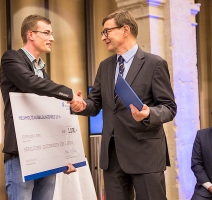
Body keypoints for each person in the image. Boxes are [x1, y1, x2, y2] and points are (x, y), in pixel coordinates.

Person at [71, 10, 177, 200]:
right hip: (112, 158)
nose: (104, 37)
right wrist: (81, 106)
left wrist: (148, 114)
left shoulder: (154, 64)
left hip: (146, 155)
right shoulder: (105, 66)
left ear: (125, 30)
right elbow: (95, 103)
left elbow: (169, 107)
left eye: (107, 31)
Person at [0, 14, 84, 200]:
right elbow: (31, 83)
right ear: (30, 34)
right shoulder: (11, 58)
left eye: (51, 34)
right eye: (47, 33)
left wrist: (74, 104)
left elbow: (53, 109)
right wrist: (69, 94)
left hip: (46, 155)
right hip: (21, 154)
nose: (52, 38)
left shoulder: (42, 71)